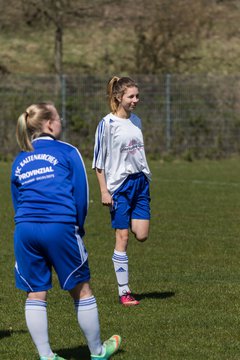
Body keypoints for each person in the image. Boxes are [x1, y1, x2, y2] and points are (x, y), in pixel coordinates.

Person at [11, 102, 121, 360]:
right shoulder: (68, 152)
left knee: (35, 292)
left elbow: (17, 199)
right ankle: (97, 351)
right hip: (59, 227)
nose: (61, 122)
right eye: (59, 117)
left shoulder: (19, 158)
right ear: (50, 124)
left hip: (24, 230)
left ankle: (47, 356)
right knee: (82, 289)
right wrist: (77, 229)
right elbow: (81, 197)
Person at [92, 76, 151, 306]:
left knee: (142, 234)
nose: (136, 100)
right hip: (119, 187)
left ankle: (124, 287)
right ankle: (124, 291)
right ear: (119, 97)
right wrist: (104, 191)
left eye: (137, 96)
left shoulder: (137, 120)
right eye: (131, 96)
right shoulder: (107, 124)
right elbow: (99, 162)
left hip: (141, 183)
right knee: (122, 236)